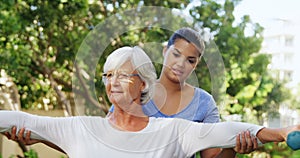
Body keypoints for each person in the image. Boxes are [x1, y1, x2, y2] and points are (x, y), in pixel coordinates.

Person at [1, 46, 300, 158]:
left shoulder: (173, 131)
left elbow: (224, 131)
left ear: (144, 83)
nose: (112, 81)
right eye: (108, 75)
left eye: (122, 75)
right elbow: (25, 121)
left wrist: (282, 132)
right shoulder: (82, 127)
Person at [108, 27, 258, 157]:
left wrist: (232, 149)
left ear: (196, 65)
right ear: (165, 51)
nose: (180, 64)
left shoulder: (204, 103)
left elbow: (211, 157)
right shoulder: (135, 91)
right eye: (176, 54)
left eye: (190, 60)